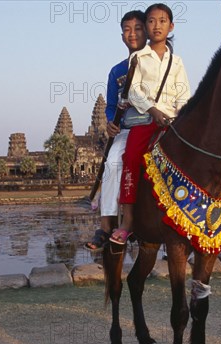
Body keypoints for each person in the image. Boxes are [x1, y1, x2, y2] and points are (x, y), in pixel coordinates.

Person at [110, 3, 191, 244]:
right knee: (131, 159)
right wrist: (154, 111)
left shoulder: (176, 62)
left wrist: (177, 117)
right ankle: (127, 222)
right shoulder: (138, 57)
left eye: (163, 21)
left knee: (201, 152)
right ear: (147, 26)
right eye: (152, 21)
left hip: (172, 121)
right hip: (145, 120)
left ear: (171, 26)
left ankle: (210, 211)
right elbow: (133, 92)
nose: (157, 26)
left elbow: (184, 94)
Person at [85, 11, 148, 250]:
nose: (133, 33)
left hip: (156, 125)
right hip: (128, 128)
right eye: (127, 29)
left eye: (138, 28)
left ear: (147, 31)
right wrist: (111, 122)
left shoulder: (160, 63)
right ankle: (106, 225)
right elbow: (111, 106)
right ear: (122, 36)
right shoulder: (117, 71)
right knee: (111, 164)